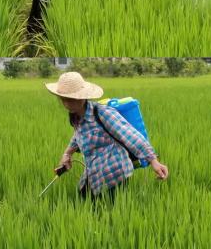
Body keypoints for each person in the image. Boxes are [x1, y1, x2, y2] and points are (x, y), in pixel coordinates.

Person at [45, 72, 169, 202]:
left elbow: (130, 135)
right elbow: (78, 136)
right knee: (82, 200)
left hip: (114, 172)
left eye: (70, 99)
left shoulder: (103, 113)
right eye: (63, 99)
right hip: (94, 171)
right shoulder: (77, 117)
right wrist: (67, 154)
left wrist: (153, 161)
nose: (66, 104)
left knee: (105, 209)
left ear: (82, 97)